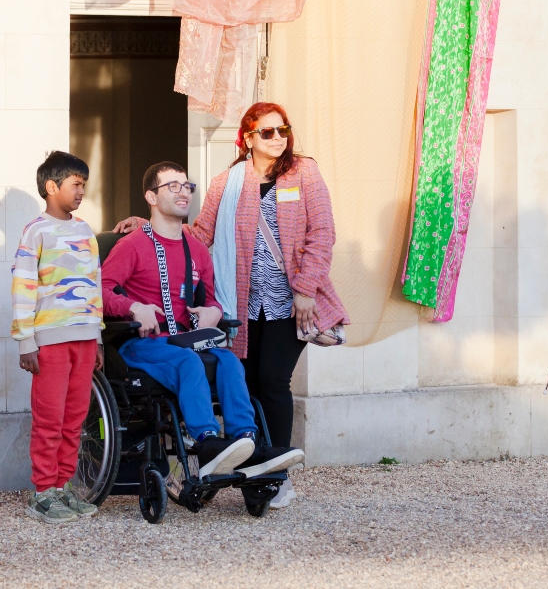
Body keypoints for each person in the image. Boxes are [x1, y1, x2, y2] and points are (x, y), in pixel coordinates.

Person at [114, 106, 349, 507]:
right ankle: (250, 467)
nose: (278, 137)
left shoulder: (303, 172)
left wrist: (306, 288)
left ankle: (276, 475)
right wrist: (148, 224)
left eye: (284, 130)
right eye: (268, 131)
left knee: (274, 381)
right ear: (248, 137)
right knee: (246, 378)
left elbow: (322, 232)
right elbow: (200, 231)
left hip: (290, 300)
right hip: (243, 298)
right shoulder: (228, 181)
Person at [102, 161, 304, 483]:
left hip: (183, 341)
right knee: (188, 362)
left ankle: (246, 442)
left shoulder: (197, 250)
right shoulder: (133, 245)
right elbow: (99, 290)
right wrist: (132, 306)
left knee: (228, 360)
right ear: (151, 197)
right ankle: (208, 442)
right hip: (141, 344)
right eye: (173, 186)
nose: (184, 192)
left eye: (187, 186)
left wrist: (213, 311)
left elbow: (210, 299)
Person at [11, 151, 103, 524]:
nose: (82, 191)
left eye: (83, 184)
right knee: (49, 418)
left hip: (84, 341)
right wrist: (25, 341)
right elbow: (23, 287)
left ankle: (64, 487)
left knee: (75, 417)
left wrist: (96, 337)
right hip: (49, 341)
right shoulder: (35, 231)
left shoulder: (84, 231)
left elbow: (93, 285)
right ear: (52, 187)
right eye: (75, 184)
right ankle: (43, 492)